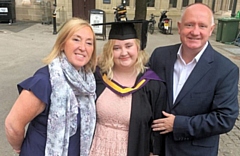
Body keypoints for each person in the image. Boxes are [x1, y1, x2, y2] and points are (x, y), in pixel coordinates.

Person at [149, 3, 239, 156]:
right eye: (189, 25)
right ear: (179, 26)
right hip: (157, 149)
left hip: (194, 151)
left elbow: (225, 118)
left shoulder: (225, 70)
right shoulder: (160, 56)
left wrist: (178, 124)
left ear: (211, 29)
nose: (195, 32)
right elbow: (144, 93)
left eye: (202, 26)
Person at [5, 17, 97, 156]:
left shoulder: (88, 83)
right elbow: (12, 126)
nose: (83, 47)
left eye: (89, 43)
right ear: (62, 44)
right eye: (76, 39)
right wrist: (20, 149)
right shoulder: (45, 81)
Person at [90, 20, 167, 156]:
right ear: (109, 51)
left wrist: (154, 152)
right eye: (116, 48)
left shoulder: (152, 85)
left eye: (128, 46)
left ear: (138, 48)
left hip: (135, 150)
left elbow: (157, 129)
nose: (123, 52)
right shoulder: (97, 77)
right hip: (97, 148)